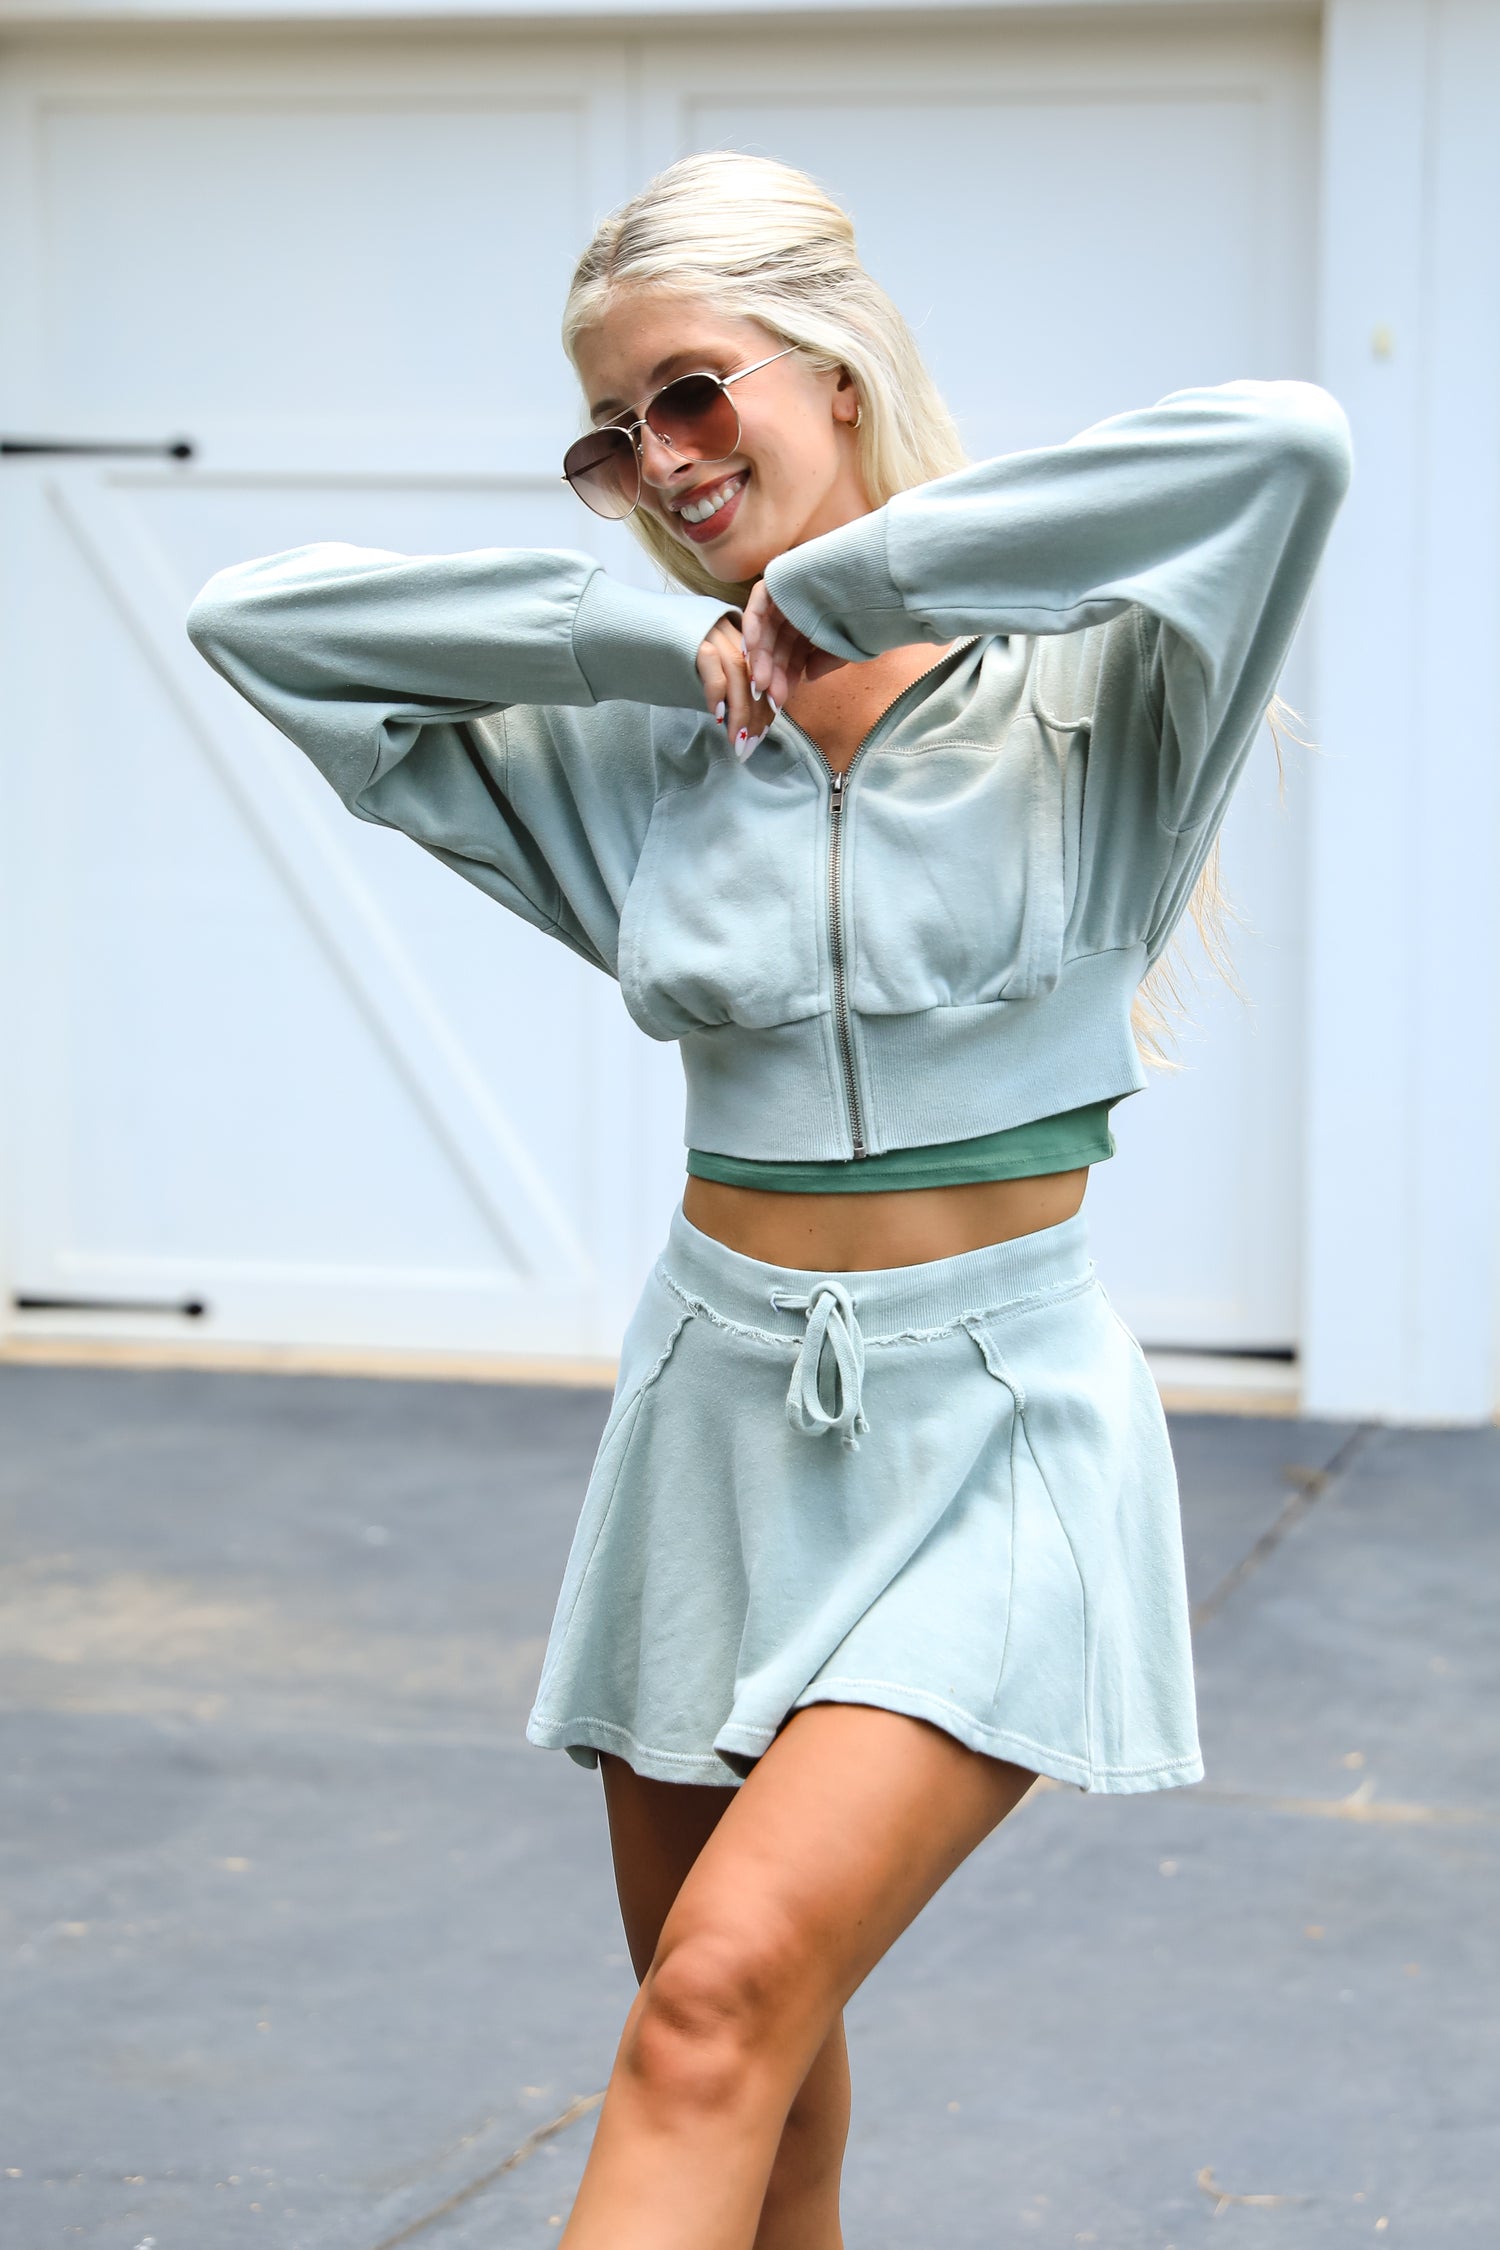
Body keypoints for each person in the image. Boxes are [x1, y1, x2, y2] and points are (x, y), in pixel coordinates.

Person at [186, 151, 1350, 2250]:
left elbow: (1288, 445)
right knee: (757, 2083)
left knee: (710, 2007)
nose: (661, 461)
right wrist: (661, 653)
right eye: (613, 438)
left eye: (697, 395)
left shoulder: (1091, 698)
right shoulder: (650, 759)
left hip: (992, 1426)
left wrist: (862, 590)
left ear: (830, 363)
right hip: (715, 1424)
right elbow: (252, 625)